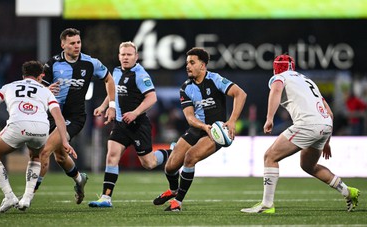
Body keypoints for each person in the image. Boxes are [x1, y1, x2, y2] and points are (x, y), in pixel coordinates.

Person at [241, 54, 360, 214]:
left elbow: (276, 90)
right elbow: (329, 112)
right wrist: (326, 141)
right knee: (308, 166)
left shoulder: (279, 77)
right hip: (325, 125)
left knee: (270, 156)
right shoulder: (307, 80)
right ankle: (348, 192)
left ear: (275, 68)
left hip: (308, 124)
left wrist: (269, 118)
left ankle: (267, 205)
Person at [153, 47, 247, 211]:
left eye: (192, 62)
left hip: (215, 133)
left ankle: (178, 202)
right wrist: (204, 126)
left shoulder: (215, 79)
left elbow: (241, 94)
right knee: (170, 167)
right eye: (187, 63)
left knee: (190, 157)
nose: (187, 66)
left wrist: (232, 121)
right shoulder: (185, 87)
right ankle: (174, 190)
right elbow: (190, 117)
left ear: (202, 65)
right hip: (197, 129)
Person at [0, 61, 76, 213]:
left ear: (23, 75)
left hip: (18, 125)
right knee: (36, 156)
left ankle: (9, 196)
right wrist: (64, 141)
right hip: (42, 129)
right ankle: (26, 197)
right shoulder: (46, 91)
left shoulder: (9, 86)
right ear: (41, 76)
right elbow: (59, 118)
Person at [34, 28, 116, 204]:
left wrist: (111, 105)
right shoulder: (52, 64)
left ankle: (28, 195)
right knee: (61, 157)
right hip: (53, 116)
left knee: (44, 151)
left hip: (75, 118)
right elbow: (40, 89)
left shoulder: (90, 63)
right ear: (63, 44)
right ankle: (79, 179)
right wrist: (46, 90)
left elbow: (109, 79)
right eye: (72, 43)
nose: (77, 46)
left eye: (78, 42)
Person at [88, 41, 172, 208]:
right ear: (119, 56)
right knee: (112, 155)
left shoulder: (140, 75)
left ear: (136, 56)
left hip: (138, 124)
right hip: (121, 124)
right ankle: (106, 197)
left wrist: (135, 112)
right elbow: (113, 91)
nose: (125, 57)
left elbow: (152, 97)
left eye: (129, 55)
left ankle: (173, 152)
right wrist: (104, 106)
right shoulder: (117, 72)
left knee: (149, 163)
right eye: (123, 54)